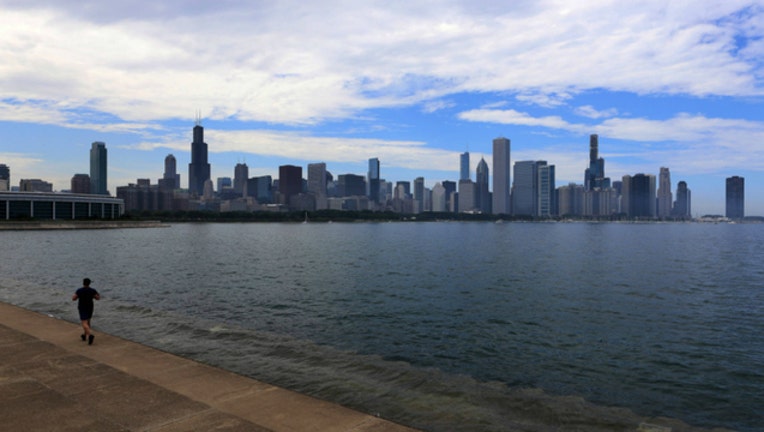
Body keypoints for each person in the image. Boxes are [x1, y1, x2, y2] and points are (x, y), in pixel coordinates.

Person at [72, 278, 100, 345]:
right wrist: (94, 296)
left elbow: (73, 298)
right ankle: (84, 335)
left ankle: (90, 335)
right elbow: (98, 298)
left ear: (83, 283)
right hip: (90, 307)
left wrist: (77, 296)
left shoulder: (79, 290)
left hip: (82, 307)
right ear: (89, 283)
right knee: (88, 322)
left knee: (84, 323)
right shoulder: (92, 290)